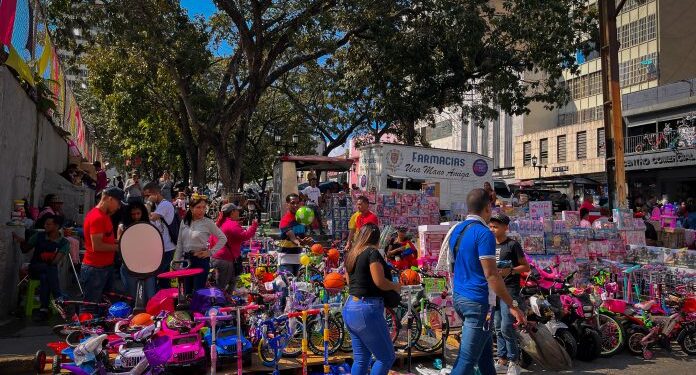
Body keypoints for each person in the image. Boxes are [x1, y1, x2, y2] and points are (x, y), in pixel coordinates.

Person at [448, 188, 525, 375]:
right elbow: (491, 274)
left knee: (484, 356)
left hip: (459, 297)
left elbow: (454, 264)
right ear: (488, 208)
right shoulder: (484, 233)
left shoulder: (456, 230)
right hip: (477, 303)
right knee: (466, 361)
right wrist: (512, 304)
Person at [343, 223, 400, 375]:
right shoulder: (372, 253)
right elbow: (379, 281)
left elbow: (350, 282)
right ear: (377, 237)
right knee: (386, 357)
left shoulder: (352, 254)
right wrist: (395, 286)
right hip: (367, 308)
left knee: (361, 359)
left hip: (350, 307)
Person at [489, 213, 530, 374]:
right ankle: (502, 359)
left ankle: (514, 361)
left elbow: (525, 267)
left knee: (507, 326)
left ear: (506, 228)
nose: (492, 229)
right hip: (494, 290)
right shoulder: (489, 245)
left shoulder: (513, 245)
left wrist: (511, 270)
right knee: (497, 326)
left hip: (510, 290)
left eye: (496, 226)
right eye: (491, 226)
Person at [13, 214, 68, 320]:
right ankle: (58, 298)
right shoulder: (38, 236)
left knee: (45, 277)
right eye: (45, 224)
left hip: (48, 270)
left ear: (56, 226)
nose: (45, 226)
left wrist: (50, 257)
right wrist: (21, 241)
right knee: (49, 270)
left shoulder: (63, 242)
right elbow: (25, 250)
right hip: (35, 268)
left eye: (48, 224)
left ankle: (44, 309)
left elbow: (56, 261)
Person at [81, 187, 124, 312]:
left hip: (105, 267)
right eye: (118, 202)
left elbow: (107, 240)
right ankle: (86, 331)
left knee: (104, 305)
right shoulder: (97, 217)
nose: (119, 206)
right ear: (110, 199)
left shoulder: (105, 216)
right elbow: (97, 245)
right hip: (95, 269)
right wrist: (120, 247)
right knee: (90, 307)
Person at [173, 196, 226, 292]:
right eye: (198, 207)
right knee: (185, 292)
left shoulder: (208, 222)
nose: (202, 210)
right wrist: (176, 261)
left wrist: (210, 252)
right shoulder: (184, 221)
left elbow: (223, 238)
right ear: (191, 208)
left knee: (199, 292)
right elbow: (180, 243)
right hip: (186, 260)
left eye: (204, 207)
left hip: (201, 260)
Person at [211, 203, 258, 291]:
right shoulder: (231, 224)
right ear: (232, 212)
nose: (239, 213)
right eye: (237, 211)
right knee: (222, 285)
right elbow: (244, 236)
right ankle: (219, 302)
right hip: (225, 259)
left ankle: (227, 300)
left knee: (232, 282)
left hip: (218, 257)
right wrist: (254, 226)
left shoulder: (220, 223)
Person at [143, 182, 178, 290]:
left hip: (167, 248)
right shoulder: (158, 205)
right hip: (162, 247)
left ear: (156, 193)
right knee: (163, 278)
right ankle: (166, 300)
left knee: (157, 275)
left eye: (148, 195)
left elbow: (148, 218)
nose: (146, 198)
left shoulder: (165, 205)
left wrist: (148, 203)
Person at [116, 202, 154, 300]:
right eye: (133, 214)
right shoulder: (122, 227)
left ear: (142, 213)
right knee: (134, 298)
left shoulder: (149, 226)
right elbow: (120, 247)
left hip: (147, 266)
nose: (136, 216)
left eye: (138, 213)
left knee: (150, 296)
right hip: (129, 266)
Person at [278, 193, 312, 276]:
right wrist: (299, 242)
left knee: (298, 286)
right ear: (287, 205)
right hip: (286, 260)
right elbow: (293, 238)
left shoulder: (302, 220)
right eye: (293, 203)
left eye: (297, 203)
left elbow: (304, 236)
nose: (296, 205)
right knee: (288, 285)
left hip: (298, 259)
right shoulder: (285, 220)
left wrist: (308, 241)